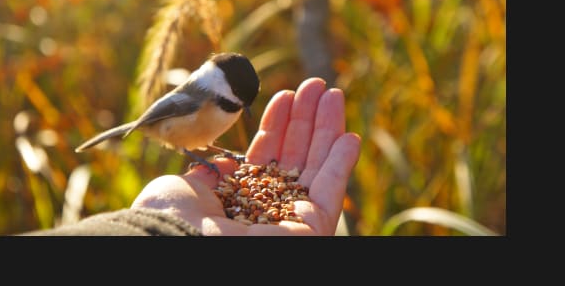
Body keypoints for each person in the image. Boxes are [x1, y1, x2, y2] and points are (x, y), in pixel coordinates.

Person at [21, 77, 362, 236]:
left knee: (208, 148)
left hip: (193, 144)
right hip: (167, 127)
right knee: (194, 148)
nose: (242, 109)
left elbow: (203, 137)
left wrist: (220, 154)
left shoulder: (224, 100)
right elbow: (176, 129)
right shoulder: (204, 93)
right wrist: (199, 162)